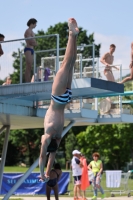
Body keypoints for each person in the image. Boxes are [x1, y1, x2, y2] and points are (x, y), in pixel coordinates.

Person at [39, 18, 79, 182]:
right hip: (57, 98)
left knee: (70, 64)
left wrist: (47, 174)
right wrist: (42, 174)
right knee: (65, 64)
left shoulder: (57, 136)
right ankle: (71, 33)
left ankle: (74, 35)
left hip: (65, 98)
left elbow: (51, 158)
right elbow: (43, 157)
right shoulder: (47, 136)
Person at [24, 18, 37, 82]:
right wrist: (35, 43)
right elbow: (30, 42)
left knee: (30, 66)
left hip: (31, 49)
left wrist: (35, 43)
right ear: (32, 23)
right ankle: (27, 81)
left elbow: (33, 41)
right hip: (28, 49)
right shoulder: (28, 31)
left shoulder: (32, 32)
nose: (36, 25)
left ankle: (28, 81)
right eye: (35, 24)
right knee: (28, 66)